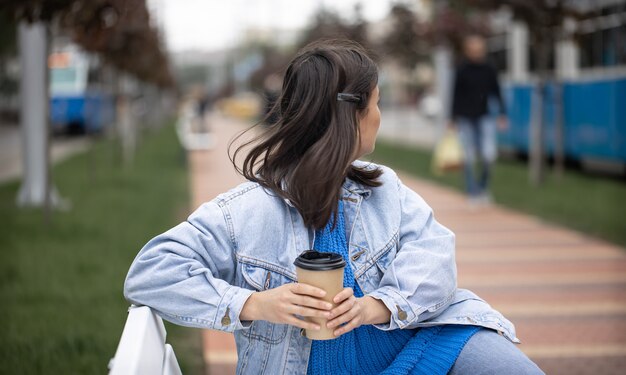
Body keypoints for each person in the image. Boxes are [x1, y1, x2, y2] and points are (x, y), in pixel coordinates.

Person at [124, 39, 543, 375]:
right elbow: (150, 272)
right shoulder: (244, 212)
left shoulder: (385, 188)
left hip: (427, 345)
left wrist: (371, 308)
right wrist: (255, 305)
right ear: (355, 115)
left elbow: (436, 259)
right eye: (376, 102)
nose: (379, 114)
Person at [449, 34, 508, 205]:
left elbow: (497, 90)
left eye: (479, 49)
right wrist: (452, 118)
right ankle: (472, 192)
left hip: (485, 117)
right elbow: (455, 95)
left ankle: (483, 188)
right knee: (468, 157)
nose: (476, 53)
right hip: (466, 119)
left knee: (489, 155)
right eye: (473, 49)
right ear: (467, 51)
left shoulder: (489, 68)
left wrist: (503, 114)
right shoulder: (461, 69)